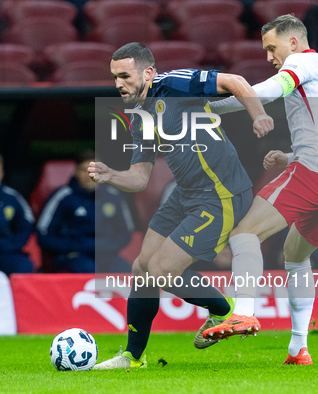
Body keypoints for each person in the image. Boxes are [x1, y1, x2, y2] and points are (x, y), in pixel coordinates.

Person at [89, 42, 274, 369]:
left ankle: (226, 310)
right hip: (186, 192)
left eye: (124, 76)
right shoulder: (139, 116)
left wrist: (258, 115)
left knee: (161, 270)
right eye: (114, 77)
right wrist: (111, 175)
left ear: (147, 73)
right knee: (142, 269)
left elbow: (235, 82)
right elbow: (140, 177)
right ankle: (132, 358)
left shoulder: (174, 83)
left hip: (221, 193)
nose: (118, 84)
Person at [204, 15, 318, 366]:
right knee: (296, 256)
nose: (270, 56)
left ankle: (243, 311)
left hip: (315, 172)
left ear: (292, 42)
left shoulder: (301, 61)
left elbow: (266, 93)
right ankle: (298, 349)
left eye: (272, 48)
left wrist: (208, 105)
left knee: (244, 234)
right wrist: (289, 155)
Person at [37, 150, 134, 273]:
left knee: (123, 269)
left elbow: (125, 233)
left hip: (105, 254)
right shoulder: (63, 197)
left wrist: (104, 247)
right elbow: (44, 234)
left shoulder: (112, 196)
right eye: (84, 170)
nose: (90, 175)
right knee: (88, 269)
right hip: (71, 255)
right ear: (75, 171)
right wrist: (73, 246)